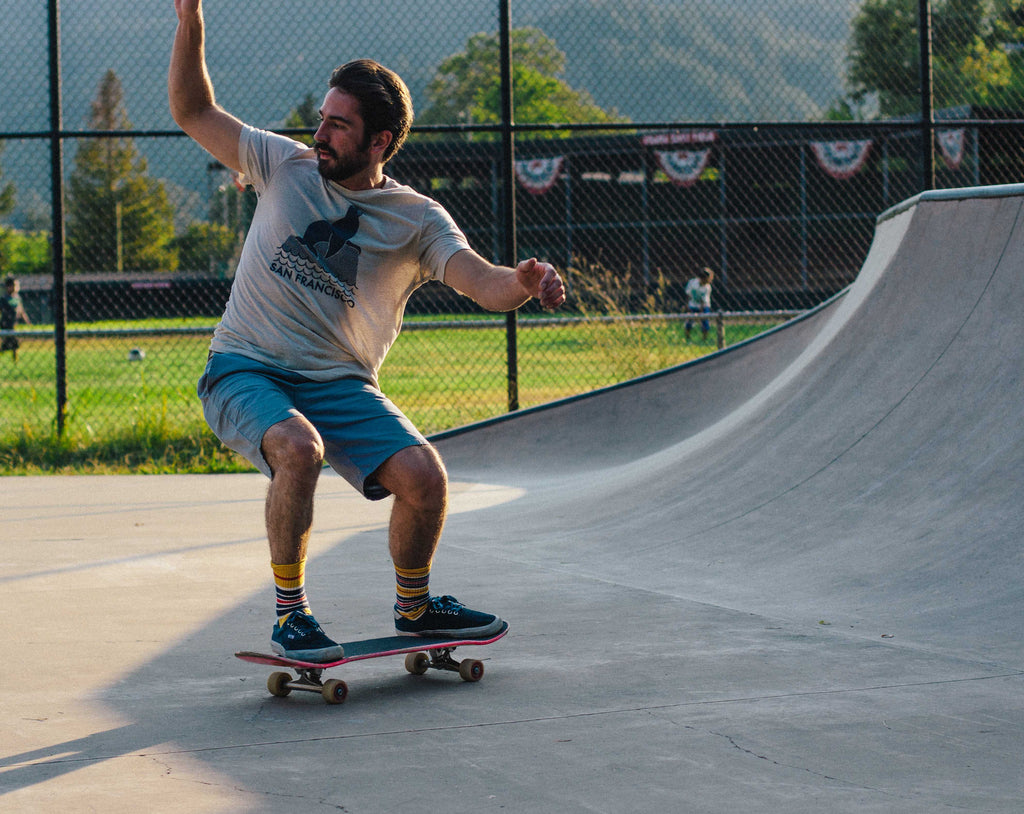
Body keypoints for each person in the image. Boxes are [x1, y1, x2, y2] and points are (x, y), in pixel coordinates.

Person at [169, 0, 566, 663]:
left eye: (339, 126)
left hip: (340, 383)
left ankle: (414, 607)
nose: (320, 134)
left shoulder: (416, 219)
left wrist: (523, 281)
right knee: (299, 448)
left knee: (424, 478)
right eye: (321, 120)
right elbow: (192, 112)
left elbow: (481, 281)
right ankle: (291, 614)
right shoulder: (282, 164)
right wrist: (190, 22)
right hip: (245, 367)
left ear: (379, 142)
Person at [1, 276, 31, 362]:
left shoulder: (17, 297)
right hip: (5, 324)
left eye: (17, 285)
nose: (16, 287)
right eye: (14, 285)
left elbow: (21, 310)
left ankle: (15, 360)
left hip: (15, 324)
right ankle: (11, 356)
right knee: (9, 341)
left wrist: (27, 320)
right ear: (8, 287)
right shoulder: (4, 299)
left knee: (14, 343)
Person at [684, 266, 714, 342]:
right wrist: (687, 305)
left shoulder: (707, 287)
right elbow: (688, 294)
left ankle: (704, 339)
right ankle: (687, 337)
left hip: (704, 306)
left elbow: (704, 300)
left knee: (705, 322)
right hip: (693, 304)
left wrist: (702, 308)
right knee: (689, 322)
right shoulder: (692, 283)